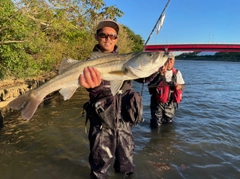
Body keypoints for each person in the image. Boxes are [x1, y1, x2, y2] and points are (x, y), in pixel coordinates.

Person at [80, 19, 143, 179]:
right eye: (103, 35)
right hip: (101, 123)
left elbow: (145, 78)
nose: (108, 39)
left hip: (123, 122)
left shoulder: (128, 60)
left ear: (117, 38)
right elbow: (93, 91)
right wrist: (95, 88)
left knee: (126, 166)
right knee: (99, 169)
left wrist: (159, 71)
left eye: (112, 36)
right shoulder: (88, 64)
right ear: (96, 36)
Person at [148, 53, 185, 128]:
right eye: (167, 60)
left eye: (171, 60)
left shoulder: (177, 73)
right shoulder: (156, 71)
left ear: (174, 61)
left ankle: (167, 138)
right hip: (157, 103)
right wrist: (160, 75)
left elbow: (184, 86)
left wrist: (180, 86)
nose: (169, 62)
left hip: (170, 104)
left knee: (168, 125)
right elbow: (150, 86)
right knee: (156, 125)